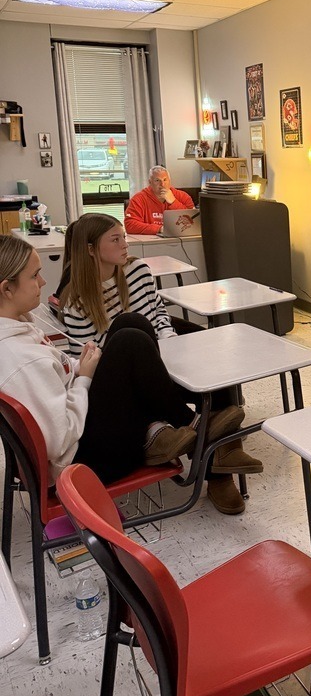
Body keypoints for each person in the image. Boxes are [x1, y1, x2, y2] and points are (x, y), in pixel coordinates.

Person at [57, 214, 263, 514]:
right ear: (91, 249)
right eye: (115, 240)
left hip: (162, 352)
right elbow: (91, 359)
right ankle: (210, 447)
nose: (125, 245)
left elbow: (159, 315)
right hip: (128, 377)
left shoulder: (138, 271)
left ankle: (221, 464)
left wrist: (171, 346)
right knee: (132, 331)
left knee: (215, 360)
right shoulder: (75, 300)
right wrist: (150, 362)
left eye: (124, 237)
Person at [0, 235, 198, 484]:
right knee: (129, 341)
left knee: (130, 323)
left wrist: (81, 366)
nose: (43, 281)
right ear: (7, 288)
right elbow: (59, 440)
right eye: (34, 275)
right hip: (85, 464)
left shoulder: (18, 328)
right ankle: (192, 424)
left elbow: (55, 372)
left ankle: (170, 424)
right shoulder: (21, 358)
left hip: (82, 439)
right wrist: (84, 378)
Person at [124, 165, 194, 235]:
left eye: (165, 180)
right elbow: (130, 225)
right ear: (150, 182)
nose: (162, 184)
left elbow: (194, 222)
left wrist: (173, 202)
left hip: (181, 239)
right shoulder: (138, 199)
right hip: (150, 242)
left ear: (169, 181)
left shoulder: (183, 196)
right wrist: (160, 229)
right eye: (157, 180)